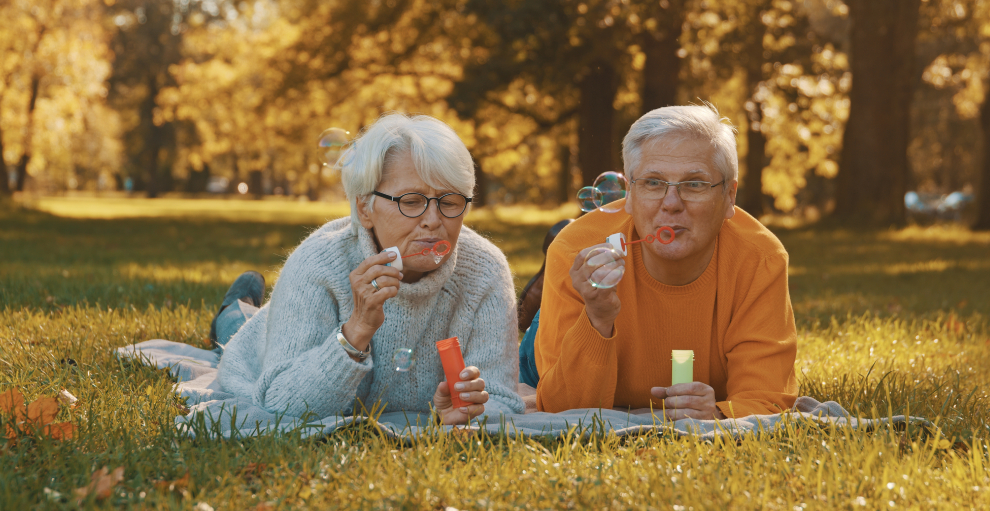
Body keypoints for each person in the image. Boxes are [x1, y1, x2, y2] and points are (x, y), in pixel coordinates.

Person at [212, 113, 525, 424]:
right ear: (365, 208)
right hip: (259, 345)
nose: (433, 220)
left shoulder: (486, 271)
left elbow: (500, 399)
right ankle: (234, 309)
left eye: (450, 201)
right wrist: (356, 329)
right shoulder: (318, 262)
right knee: (239, 324)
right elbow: (281, 402)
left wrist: (465, 413)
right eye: (412, 201)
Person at [534, 104, 798, 419]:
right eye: (653, 183)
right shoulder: (574, 251)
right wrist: (597, 318)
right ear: (629, 194)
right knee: (525, 369)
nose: (671, 204)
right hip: (564, 329)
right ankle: (534, 304)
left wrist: (717, 414)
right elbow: (562, 410)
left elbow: (766, 400)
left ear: (730, 196)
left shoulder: (759, 259)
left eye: (695, 184)